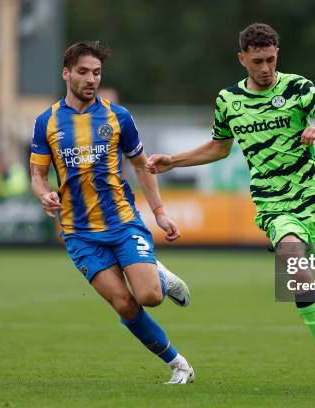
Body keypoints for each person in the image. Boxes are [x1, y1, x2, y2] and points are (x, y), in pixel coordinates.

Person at [147, 23, 315, 388]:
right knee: (295, 265)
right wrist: (174, 162)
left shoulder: (298, 87)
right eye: (258, 61)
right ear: (242, 59)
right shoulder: (228, 100)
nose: (266, 68)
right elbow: (219, 146)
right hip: (274, 204)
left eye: (272, 59)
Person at [29, 41, 194, 384]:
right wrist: (44, 195)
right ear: (67, 73)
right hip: (79, 232)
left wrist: (160, 213)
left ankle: (160, 277)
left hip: (122, 222)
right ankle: (178, 364)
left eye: (97, 72)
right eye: (84, 72)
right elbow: (37, 176)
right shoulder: (46, 122)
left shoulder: (117, 116)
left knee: (150, 296)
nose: (91, 79)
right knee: (123, 303)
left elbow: (141, 165)